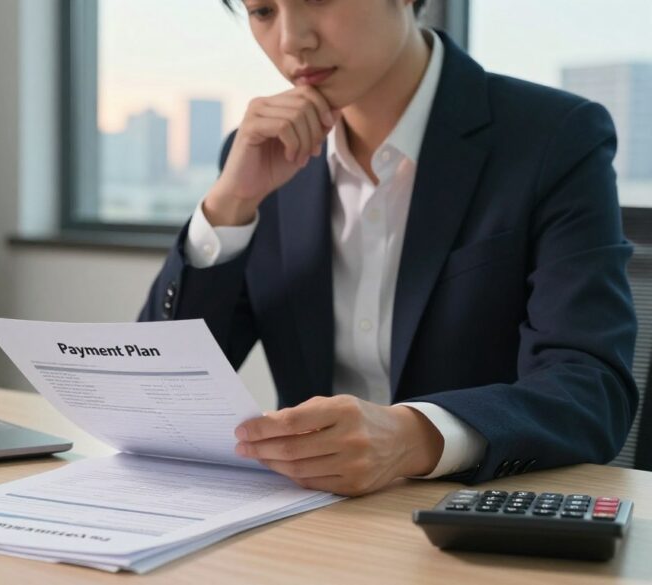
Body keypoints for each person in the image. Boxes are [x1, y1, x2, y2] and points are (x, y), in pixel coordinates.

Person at [139, 0, 638, 496]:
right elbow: (157, 391)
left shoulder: (554, 136)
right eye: (263, 10)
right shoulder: (261, 154)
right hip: (303, 524)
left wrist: (413, 437)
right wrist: (231, 203)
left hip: (474, 520)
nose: (292, 40)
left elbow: (590, 389)